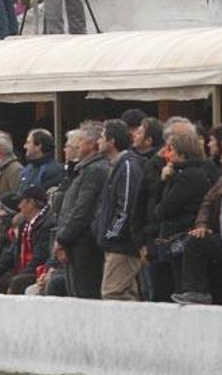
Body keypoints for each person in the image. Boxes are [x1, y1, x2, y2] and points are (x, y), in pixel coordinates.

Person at [171, 137, 222, 305]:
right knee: (196, 242)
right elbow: (207, 203)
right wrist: (202, 225)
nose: (221, 161)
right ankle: (195, 292)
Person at [149, 130, 215, 302]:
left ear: (182, 152)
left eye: (171, 150)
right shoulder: (190, 173)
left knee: (177, 286)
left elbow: (162, 209)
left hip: (180, 237)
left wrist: (164, 182)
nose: (166, 154)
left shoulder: (188, 177)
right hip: (177, 237)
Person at [54, 122, 108, 299]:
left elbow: (82, 210)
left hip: (83, 244)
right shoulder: (83, 170)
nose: (76, 145)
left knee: (85, 294)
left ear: (92, 144)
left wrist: (63, 238)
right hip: (74, 242)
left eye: (81, 141)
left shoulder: (95, 170)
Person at [94, 120, 147, 301]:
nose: (98, 141)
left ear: (112, 141)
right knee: (127, 293)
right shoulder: (118, 165)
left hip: (122, 245)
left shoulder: (127, 166)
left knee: (113, 293)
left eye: (102, 137)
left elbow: (126, 206)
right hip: (117, 244)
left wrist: (111, 234)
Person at [19, 129, 66, 194]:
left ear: (39, 146)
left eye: (28, 142)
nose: (25, 146)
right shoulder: (27, 169)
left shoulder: (53, 170)